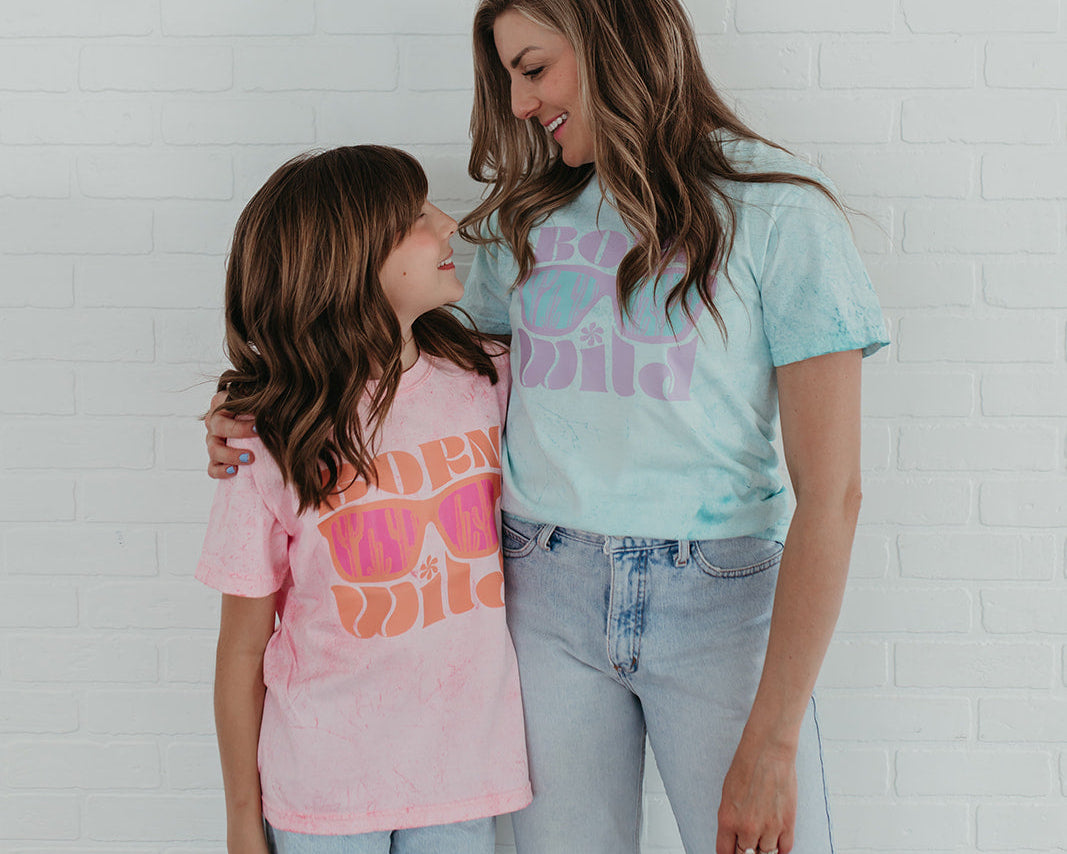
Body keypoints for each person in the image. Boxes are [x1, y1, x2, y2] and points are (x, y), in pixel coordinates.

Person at [206, 2, 888, 853]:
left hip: (718, 601)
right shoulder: (522, 222)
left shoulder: (778, 213)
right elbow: (399, 358)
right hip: (542, 597)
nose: (521, 104)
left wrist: (776, 737)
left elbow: (833, 495)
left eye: (533, 69)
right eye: (509, 79)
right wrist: (263, 411)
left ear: (613, 41)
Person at [198, 145, 531, 854]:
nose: (448, 224)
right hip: (323, 792)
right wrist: (240, 821)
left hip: (460, 778)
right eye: (415, 219)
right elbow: (241, 650)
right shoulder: (266, 440)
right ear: (345, 264)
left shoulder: (490, 379)